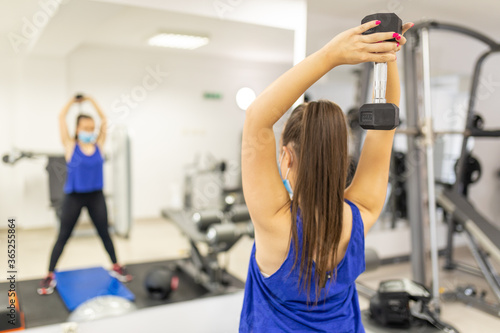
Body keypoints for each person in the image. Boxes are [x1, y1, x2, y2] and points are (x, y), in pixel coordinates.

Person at [239, 19, 413, 332]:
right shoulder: (361, 214)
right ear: (339, 160)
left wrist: (332, 55)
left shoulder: (275, 225)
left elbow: (257, 118)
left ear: (286, 157)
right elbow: (386, 123)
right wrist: (387, 55)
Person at [38, 95, 132, 295]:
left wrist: (90, 99)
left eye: (91, 128)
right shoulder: (71, 146)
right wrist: (73, 102)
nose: (89, 131)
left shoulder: (99, 145)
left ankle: (116, 266)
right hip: (74, 196)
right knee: (63, 236)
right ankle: (49, 274)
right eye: (85, 128)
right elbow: (61, 117)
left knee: (105, 233)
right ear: (77, 129)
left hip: (96, 196)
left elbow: (104, 119)